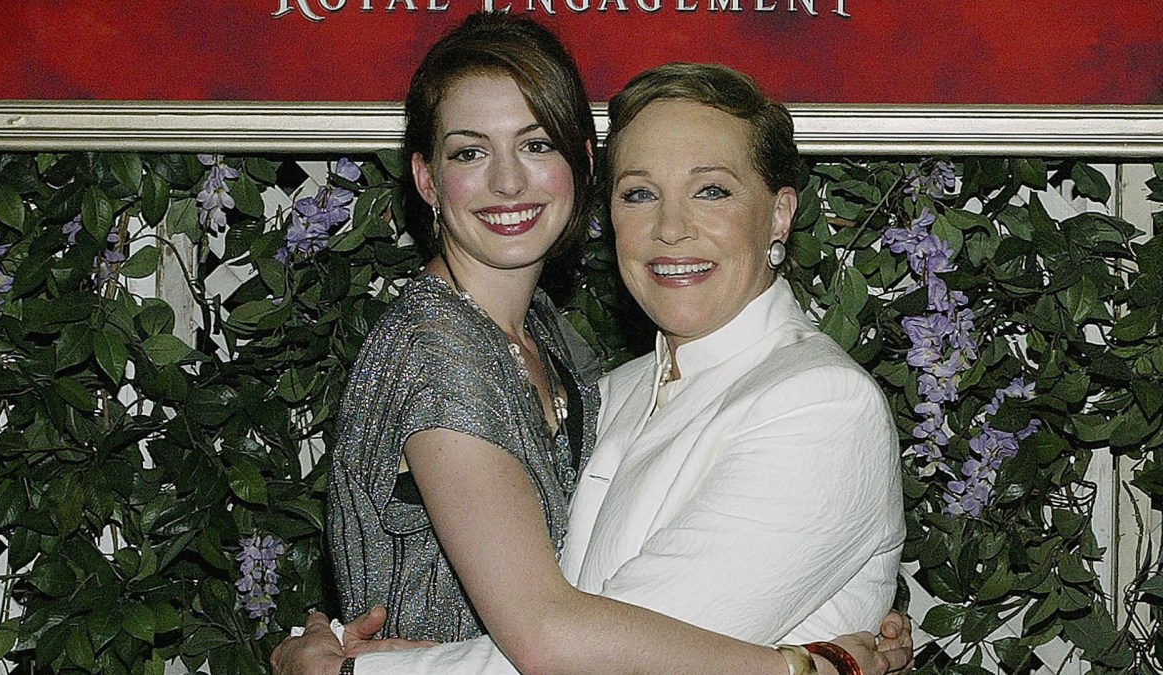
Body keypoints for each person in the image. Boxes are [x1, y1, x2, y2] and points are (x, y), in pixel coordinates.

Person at [273, 14, 911, 675]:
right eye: (640, 193)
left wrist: (354, 671)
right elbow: (569, 635)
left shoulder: (821, 406)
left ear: (779, 213)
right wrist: (807, 667)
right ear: (426, 179)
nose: (670, 227)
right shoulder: (608, 387)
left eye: (711, 190)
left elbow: (582, 649)